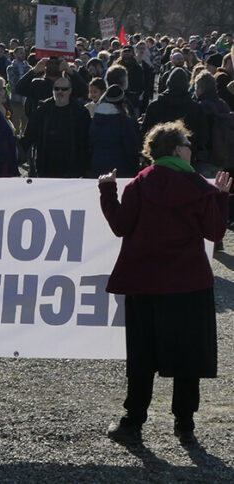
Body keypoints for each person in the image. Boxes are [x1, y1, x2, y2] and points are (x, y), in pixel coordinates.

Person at [100, 120, 230, 447]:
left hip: (144, 283)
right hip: (188, 283)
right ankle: (184, 426)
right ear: (176, 150)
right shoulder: (199, 188)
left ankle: (132, 423)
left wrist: (107, 191)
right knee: (188, 357)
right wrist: (222, 197)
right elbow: (215, 234)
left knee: (142, 357)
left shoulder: (139, 185)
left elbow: (119, 226)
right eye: (187, 144)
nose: (191, 149)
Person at [23, 75, 91, 178]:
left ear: (70, 91)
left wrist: (87, 167)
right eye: (56, 89)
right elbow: (29, 135)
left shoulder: (80, 112)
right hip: (47, 167)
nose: (60, 92)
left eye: (64, 89)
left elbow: (87, 140)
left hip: (72, 168)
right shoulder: (42, 110)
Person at [141, 67, 208, 149]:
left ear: (168, 84)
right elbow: (202, 136)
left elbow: (145, 133)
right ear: (186, 85)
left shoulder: (155, 106)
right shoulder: (195, 108)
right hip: (187, 154)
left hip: (160, 153)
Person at [90, 85, 141, 177]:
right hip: (120, 167)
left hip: (97, 164)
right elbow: (131, 147)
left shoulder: (95, 119)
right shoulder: (124, 121)